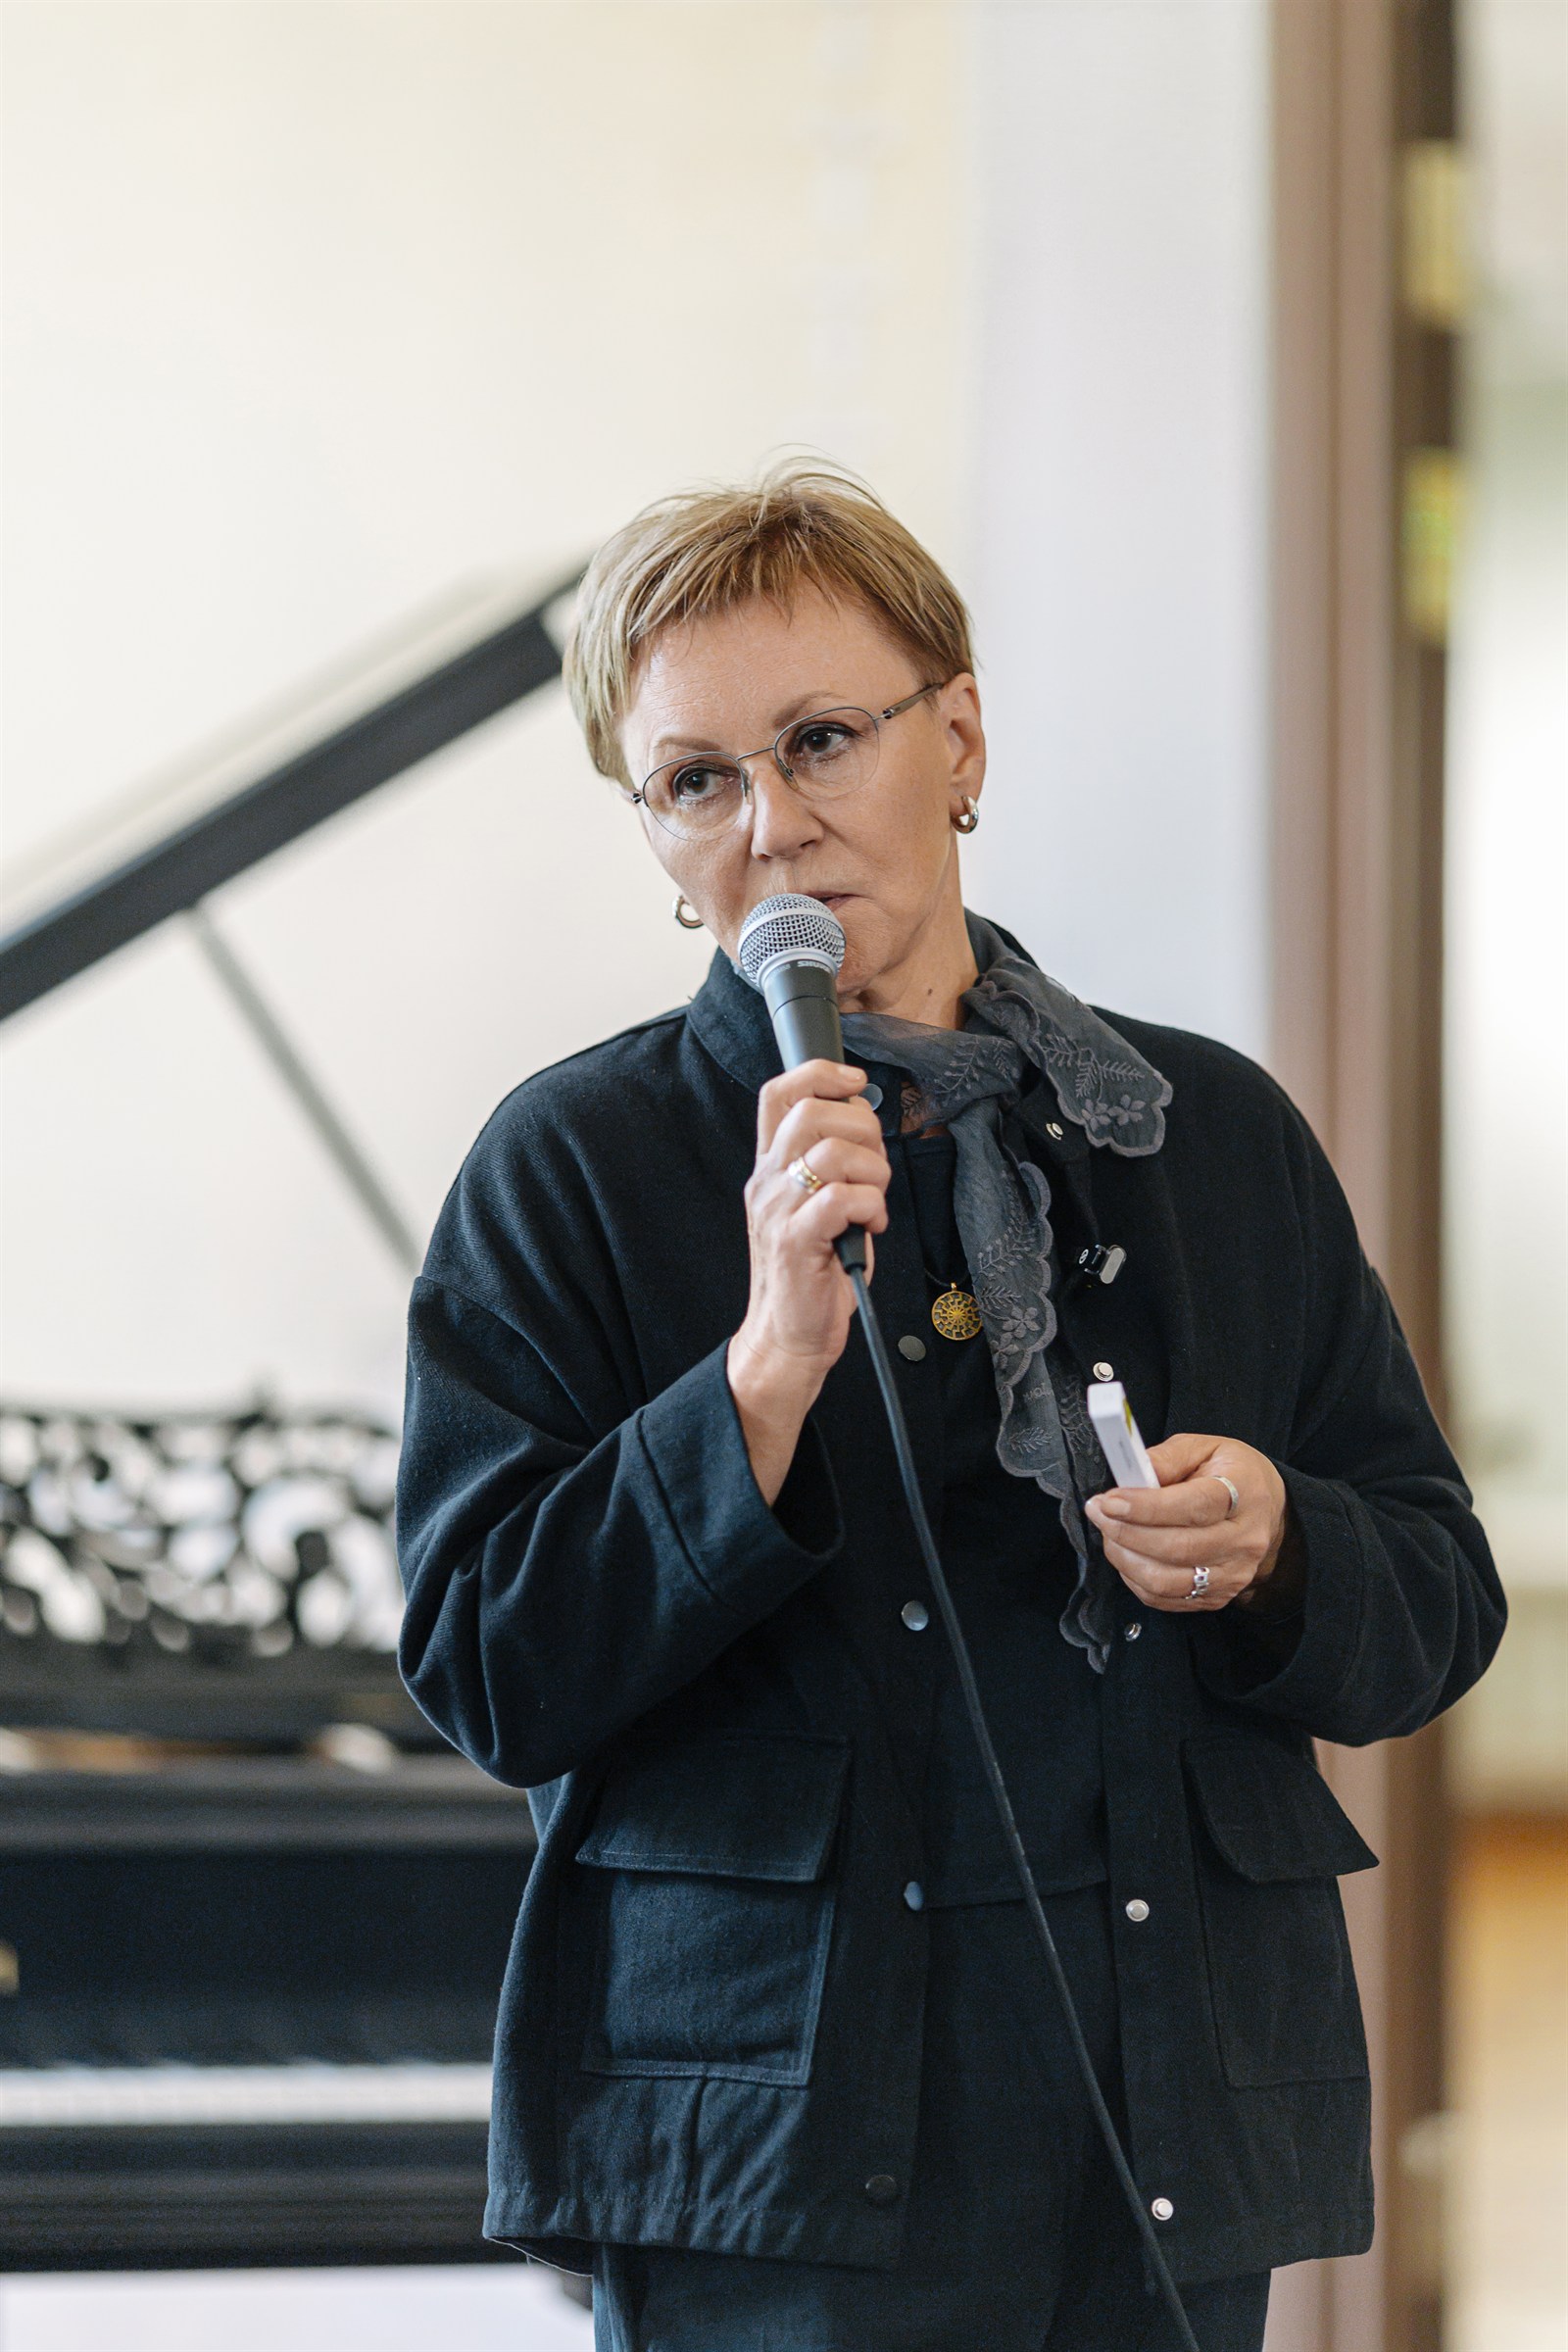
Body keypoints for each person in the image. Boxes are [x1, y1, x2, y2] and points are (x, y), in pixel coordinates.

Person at [395, 464, 1503, 2352]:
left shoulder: (1211, 1135)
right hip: (774, 2157)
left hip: (1164, 2126)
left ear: (961, 739)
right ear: (655, 833)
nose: (774, 826)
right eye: (696, 781)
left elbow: (1438, 1601)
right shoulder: (569, 1166)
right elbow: (487, 1668)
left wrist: (1280, 1545)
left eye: (824, 740)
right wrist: (758, 1380)